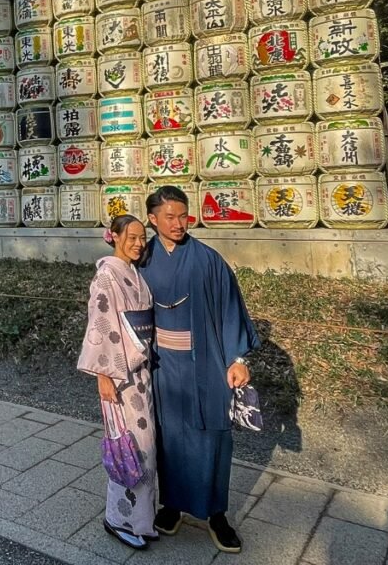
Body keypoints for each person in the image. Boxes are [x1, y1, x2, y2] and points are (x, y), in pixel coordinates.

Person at [139, 185, 260, 554]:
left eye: (183, 215)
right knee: (168, 436)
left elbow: (229, 310)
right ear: (153, 219)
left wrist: (237, 360)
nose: (178, 223)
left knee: (213, 438)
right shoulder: (141, 259)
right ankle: (171, 506)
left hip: (205, 361)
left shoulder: (209, 260)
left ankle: (216, 514)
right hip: (161, 365)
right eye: (170, 216)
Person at [77, 215, 157, 551]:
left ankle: (143, 518)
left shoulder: (135, 274)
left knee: (146, 447)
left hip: (141, 372)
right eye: (132, 237)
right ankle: (119, 518)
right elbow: (101, 325)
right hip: (119, 375)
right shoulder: (107, 276)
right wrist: (103, 375)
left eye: (142, 238)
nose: (138, 244)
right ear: (114, 237)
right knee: (128, 448)